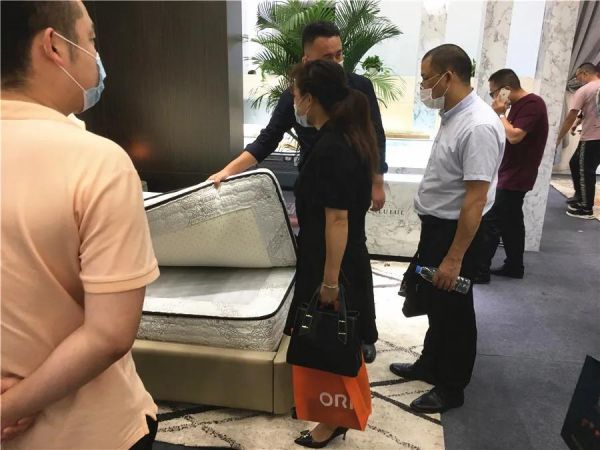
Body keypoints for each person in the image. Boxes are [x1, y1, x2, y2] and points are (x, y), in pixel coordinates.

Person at [1, 2, 159, 448]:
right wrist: (9, 408)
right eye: (91, 39)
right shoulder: (99, 162)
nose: (97, 56)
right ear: (54, 46)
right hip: (92, 432)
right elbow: (108, 335)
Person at [209, 20, 386, 363]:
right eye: (326, 57)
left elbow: (375, 137)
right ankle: (320, 328)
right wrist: (227, 171)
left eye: (339, 55)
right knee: (319, 255)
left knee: (349, 254)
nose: (335, 63)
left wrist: (377, 181)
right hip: (320, 181)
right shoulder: (300, 98)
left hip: (340, 180)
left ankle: (357, 330)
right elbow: (267, 139)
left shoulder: (354, 98)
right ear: (307, 59)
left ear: (310, 100)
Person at [389, 44, 505, 413]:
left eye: (426, 78)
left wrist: (454, 258)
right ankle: (430, 364)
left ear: (448, 76)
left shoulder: (479, 125)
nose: (423, 86)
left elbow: (475, 199)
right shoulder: (454, 115)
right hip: (438, 229)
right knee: (436, 302)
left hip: (458, 233)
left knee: (455, 309)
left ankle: (452, 386)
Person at [284, 60, 378, 447]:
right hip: (334, 256)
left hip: (333, 261)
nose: (293, 103)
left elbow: (337, 219)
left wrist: (330, 281)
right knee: (332, 337)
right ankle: (328, 412)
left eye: (295, 95)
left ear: (310, 99)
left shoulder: (333, 147)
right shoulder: (345, 135)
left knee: (330, 337)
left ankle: (332, 419)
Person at [475, 69, 549, 282]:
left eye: (493, 92)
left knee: (492, 219)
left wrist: (500, 114)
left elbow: (515, 136)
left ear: (505, 89)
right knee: (511, 222)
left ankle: (480, 271)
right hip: (511, 171)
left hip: (516, 174)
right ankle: (514, 266)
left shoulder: (533, 104)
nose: (493, 97)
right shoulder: (518, 106)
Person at [557, 62, 600, 219]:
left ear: (584, 73)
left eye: (578, 77)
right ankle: (580, 197)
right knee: (575, 163)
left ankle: (586, 209)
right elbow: (593, 108)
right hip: (595, 135)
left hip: (592, 137)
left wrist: (559, 137)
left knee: (585, 171)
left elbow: (570, 116)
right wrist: (578, 123)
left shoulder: (584, 90)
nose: (578, 80)